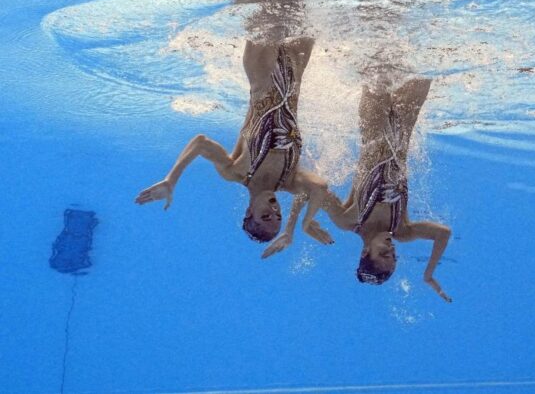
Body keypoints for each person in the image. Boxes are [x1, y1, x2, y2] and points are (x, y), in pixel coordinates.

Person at [265, 75, 452, 301]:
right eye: (394, 256)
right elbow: (443, 233)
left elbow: (312, 189)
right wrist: (429, 273)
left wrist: (292, 228)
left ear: (365, 252)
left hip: (373, 124)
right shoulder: (403, 230)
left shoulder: (349, 220)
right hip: (404, 124)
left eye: (384, 253)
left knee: (379, 65)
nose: (391, 249)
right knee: (423, 69)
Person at [134, 37, 335, 246]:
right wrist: (306, 222)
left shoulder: (236, 172)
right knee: (302, 16)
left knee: (272, 12)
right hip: (294, 69)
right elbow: (320, 187)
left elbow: (201, 143)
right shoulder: (289, 181)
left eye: (265, 216)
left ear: (249, 211)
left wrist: (171, 180)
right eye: (278, 217)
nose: (274, 211)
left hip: (261, 70)